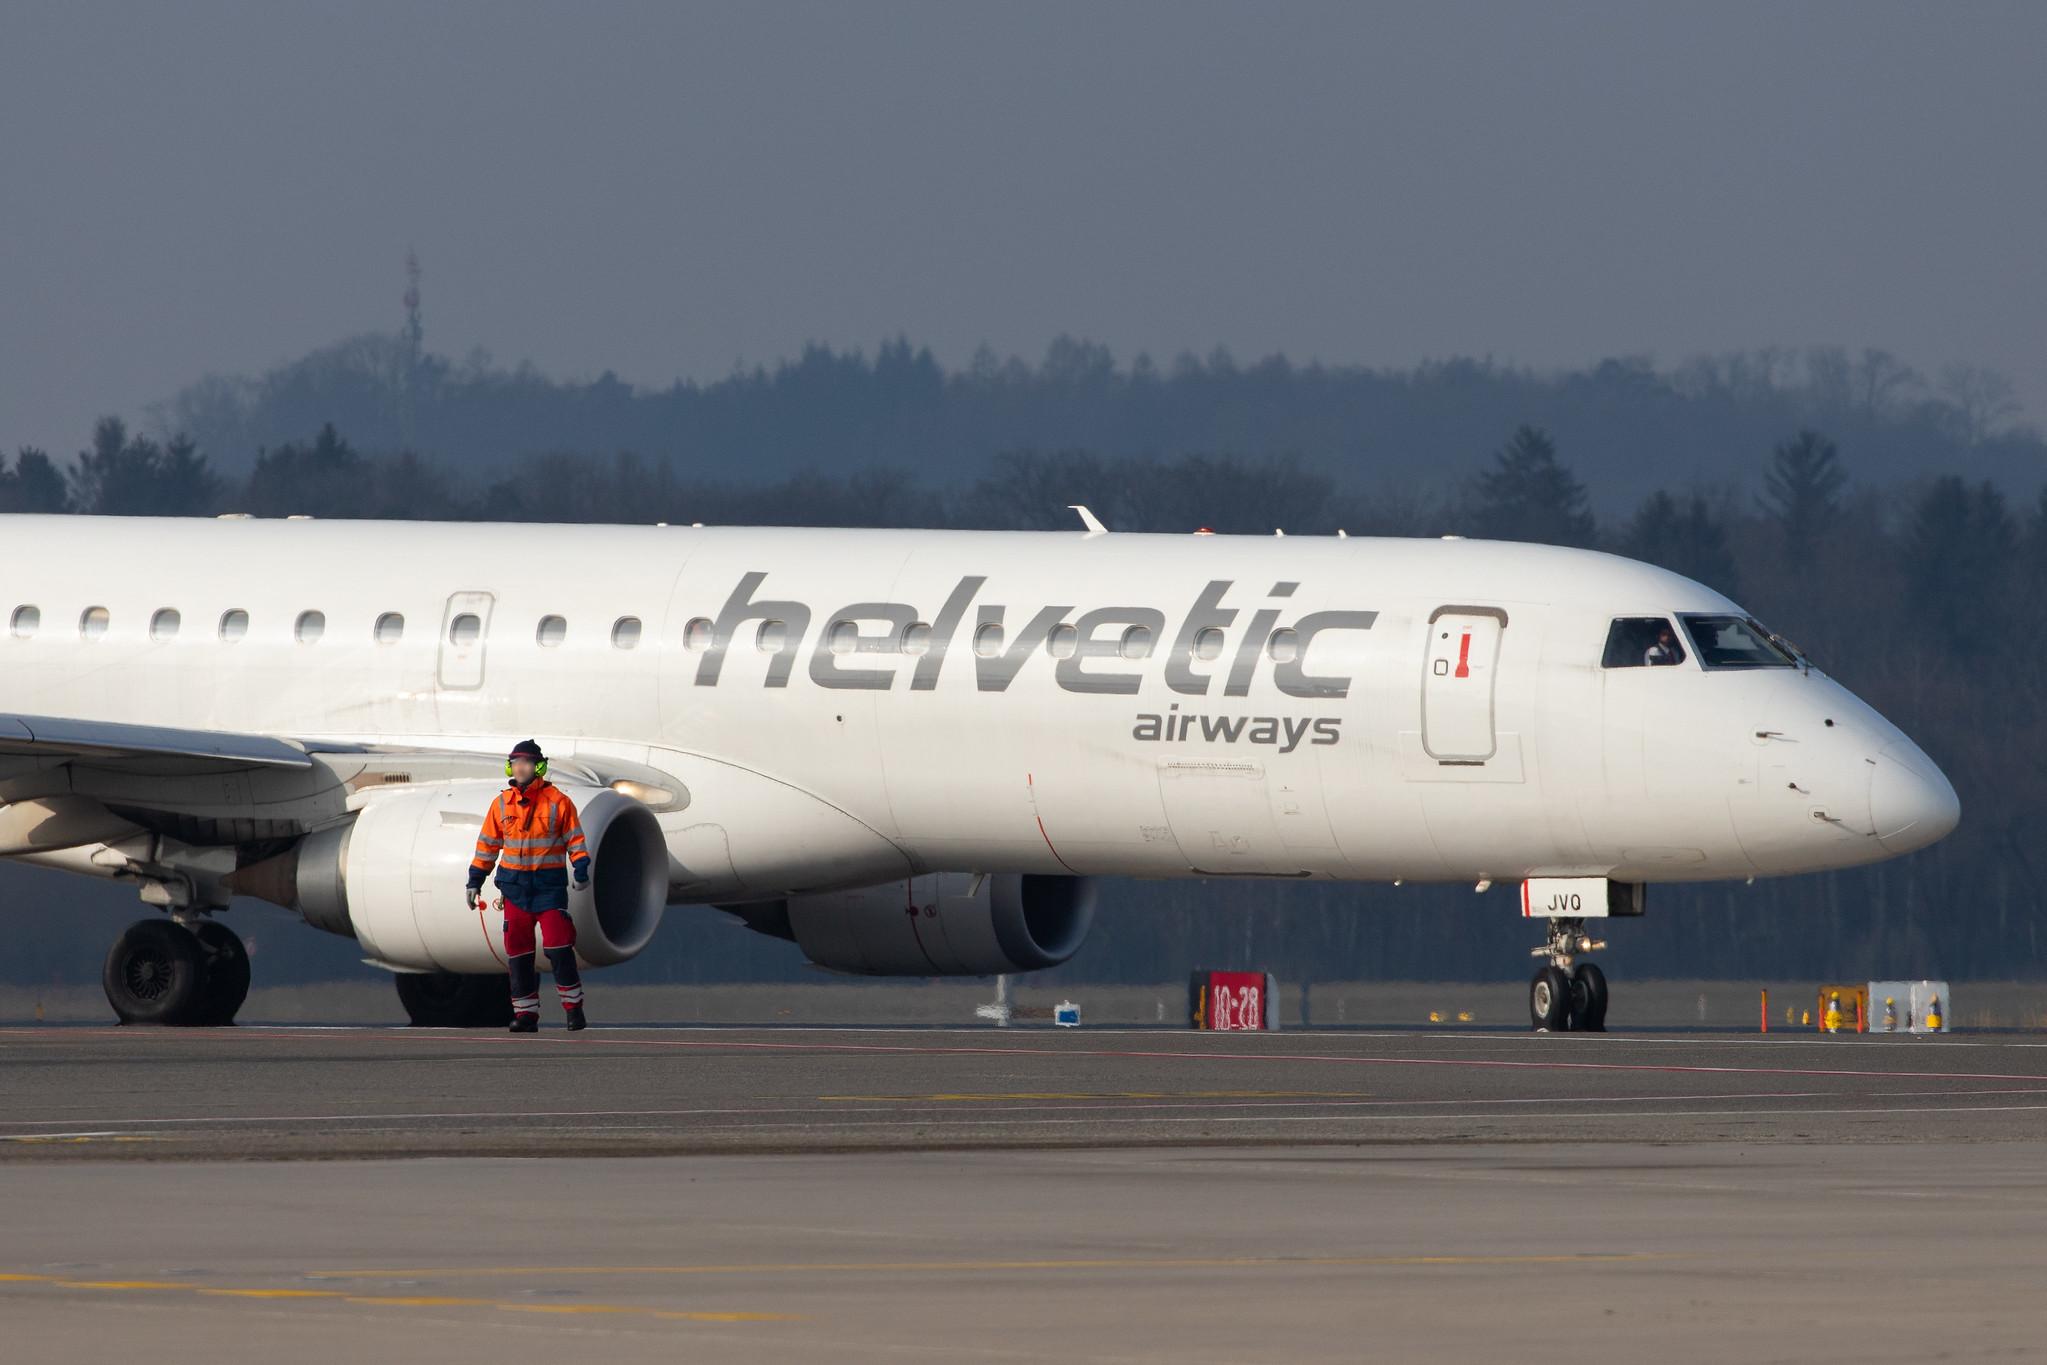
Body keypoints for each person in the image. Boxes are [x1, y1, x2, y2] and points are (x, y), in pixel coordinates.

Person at [466, 740, 592, 1032]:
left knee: (559, 947)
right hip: (515, 889)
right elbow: (487, 846)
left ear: (539, 767)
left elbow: (575, 839)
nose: (520, 768)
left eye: (526, 762)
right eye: (515, 763)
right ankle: (525, 1015)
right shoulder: (501, 804)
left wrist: (581, 867)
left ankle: (574, 1009)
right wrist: (475, 880)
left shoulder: (559, 802)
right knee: (518, 953)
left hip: (548, 889)